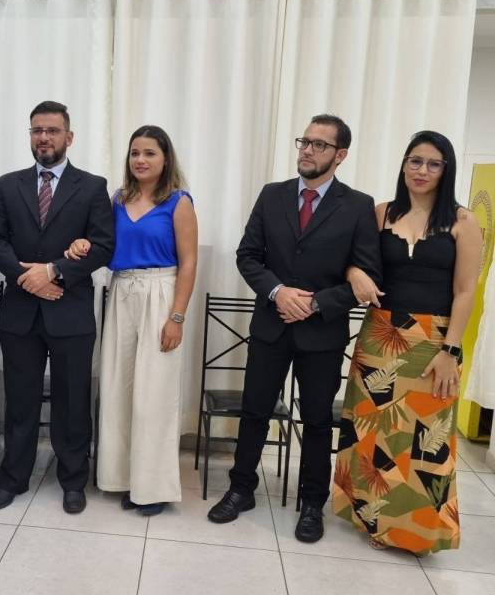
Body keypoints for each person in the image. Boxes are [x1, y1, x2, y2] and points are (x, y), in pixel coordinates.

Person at [207, 114, 382, 543]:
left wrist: (315, 303)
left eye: (320, 144)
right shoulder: (272, 195)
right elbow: (248, 255)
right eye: (305, 141)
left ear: (340, 155)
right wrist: (278, 292)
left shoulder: (358, 206)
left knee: (317, 420)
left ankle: (311, 504)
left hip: (322, 334)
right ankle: (241, 489)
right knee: (255, 411)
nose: (307, 149)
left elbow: (366, 276)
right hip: (271, 325)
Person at [333, 131, 481, 554]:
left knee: (426, 439)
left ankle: (417, 530)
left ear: (446, 170)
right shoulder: (381, 213)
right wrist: (353, 274)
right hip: (380, 336)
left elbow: (466, 292)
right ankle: (374, 521)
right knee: (374, 434)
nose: (422, 171)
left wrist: (450, 351)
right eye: (415, 161)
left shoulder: (463, 221)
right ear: (403, 165)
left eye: (434, 164)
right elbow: (352, 262)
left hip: (434, 342)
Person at [0, 101, 114, 514]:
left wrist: (54, 272)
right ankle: (13, 479)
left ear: (68, 137)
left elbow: (104, 246)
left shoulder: (92, 187)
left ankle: (73, 481)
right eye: (37, 130)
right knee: (19, 401)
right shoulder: (9, 185)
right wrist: (27, 278)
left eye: (52, 131)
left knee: (72, 400)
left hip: (70, 312)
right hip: (21, 312)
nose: (44, 138)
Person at [66, 125, 198, 515]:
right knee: (117, 388)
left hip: (161, 292)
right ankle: (122, 478)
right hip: (121, 291)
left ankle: (152, 488)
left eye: (149, 153)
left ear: (165, 158)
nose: (140, 159)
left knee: (154, 394)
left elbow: (189, 263)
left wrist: (176, 316)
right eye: (135, 152)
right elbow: (104, 246)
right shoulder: (117, 200)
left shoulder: (178, 202)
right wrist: (83, 244)